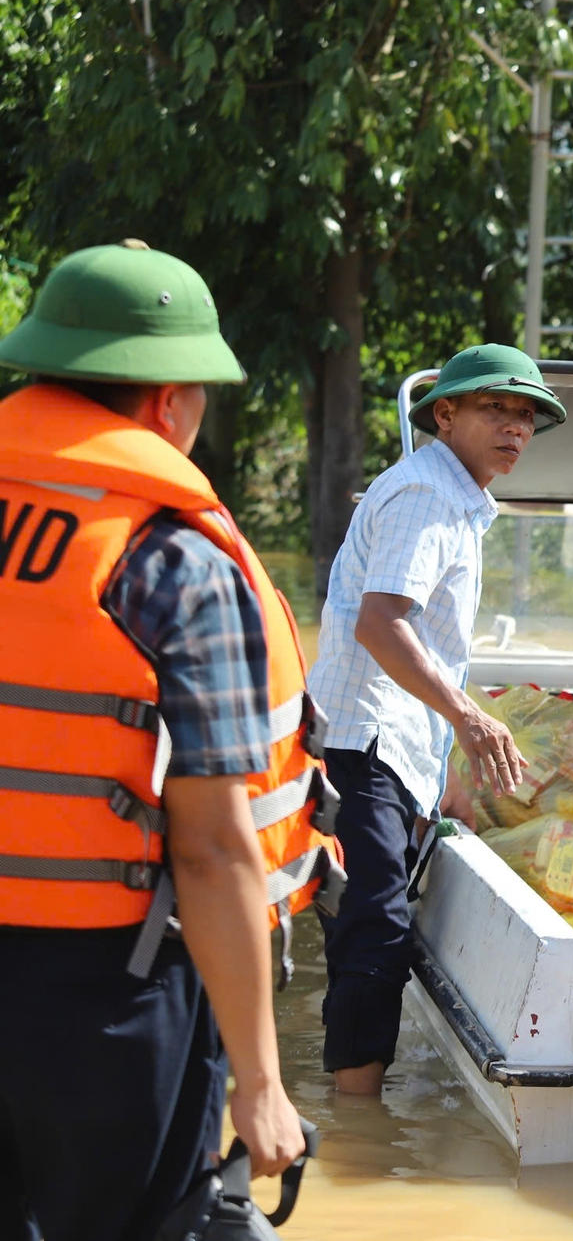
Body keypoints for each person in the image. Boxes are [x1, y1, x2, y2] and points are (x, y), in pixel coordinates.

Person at [0, 241, 341, 1238]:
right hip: (104, 996)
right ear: (166, 403)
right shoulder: (174, 562)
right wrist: (262, 1081)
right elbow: (211, 844)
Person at [308, 344, 565, 1095]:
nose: (515, 428)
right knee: (374, 927)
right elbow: (381, 625)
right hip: (360, 750)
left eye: (526, 416)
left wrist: (445, 774)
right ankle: (359, 1127)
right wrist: (469, 721)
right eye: (496, 409)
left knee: (368, 925)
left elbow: (430, 648)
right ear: (444, 414)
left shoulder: (454, 498)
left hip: (384, 748)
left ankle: (352, 1096)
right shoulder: (426, 494)